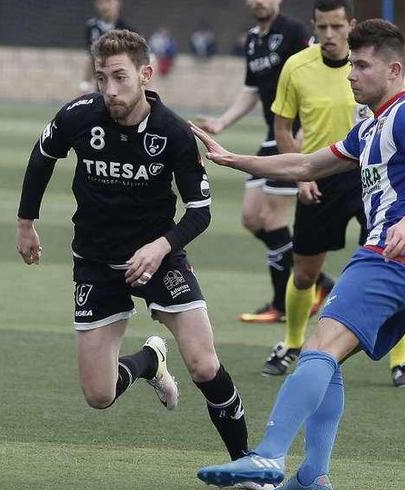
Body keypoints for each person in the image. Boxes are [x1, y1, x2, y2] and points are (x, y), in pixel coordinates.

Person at [193, 18, 405, 490]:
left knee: (316, 351)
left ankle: (268, 456)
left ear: (394, 70)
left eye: (361, 65)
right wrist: (234, 159)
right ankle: (312, 476)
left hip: (391, 258)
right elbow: (307, 163)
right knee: (326, 355)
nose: (351, 74)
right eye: (350, 64)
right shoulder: (373, 122)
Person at [17, 29, 250, 463]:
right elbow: (42, 156)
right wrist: (26, 222)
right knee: (98, 395)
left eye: (120, 77)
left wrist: (161, 247)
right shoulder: (79, 115)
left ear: (146, 73)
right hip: (95, 261)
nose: (110, 89)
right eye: (101, 77)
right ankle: (148, 361)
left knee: (203, 364)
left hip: (159, 258)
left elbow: (200, 211)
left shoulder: (175, 133)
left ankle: (246, 461)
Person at [266, 0, 405, 387]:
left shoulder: (373, 65)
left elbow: (399, 116)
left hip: (371, 176)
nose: (330, 35)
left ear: (350, 25)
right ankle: (292, 342)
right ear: (314, 27)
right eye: (322, 27)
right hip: (321, 175)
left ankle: (400, 362)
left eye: (337, 27)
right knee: (304, 273)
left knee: (391, 267)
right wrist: (301, 175)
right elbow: (282, 126)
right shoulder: (297, 67)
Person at [194, 0, 318, 326]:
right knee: (251, 218)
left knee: (272, 217)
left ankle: (283, 304)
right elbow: (252, 89)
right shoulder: (252, 38)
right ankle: (315, 281)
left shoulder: (294, 32)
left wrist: (305, 131)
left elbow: (316, 78)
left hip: (293, 133)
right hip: (271, 133)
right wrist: (222, 123)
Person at [80, 0, 134, 93]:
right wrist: (85, 83)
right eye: (101, 2)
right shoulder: (91, 28)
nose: (105, 6)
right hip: (102, 83)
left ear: (118, 3)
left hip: (121, 84)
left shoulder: (127, 29)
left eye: (109, 2)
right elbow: (92, 57)